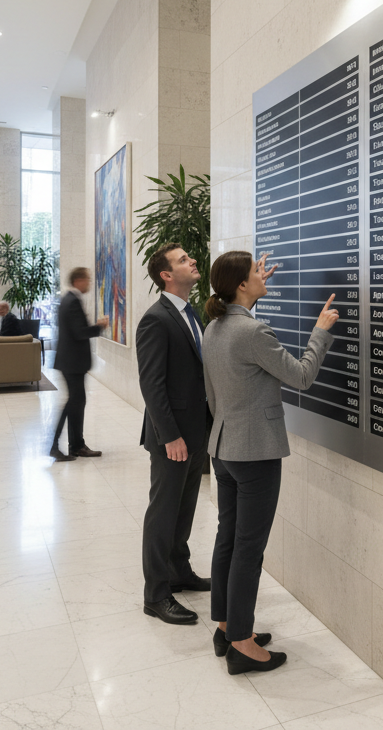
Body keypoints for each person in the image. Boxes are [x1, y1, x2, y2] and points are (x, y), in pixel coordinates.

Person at [203, 250, 338, 674]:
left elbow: (216, 390)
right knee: (249, 548)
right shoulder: (253, 332)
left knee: (229, 538)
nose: (263, 277)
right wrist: (319, 331)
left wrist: (249, 289)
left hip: (224, 448)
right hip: (255, 452)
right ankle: (242, 643)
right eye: (254, 275)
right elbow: (301, 375)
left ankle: (227, 627)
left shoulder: (215, 326)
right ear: (241, 284)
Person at [136, 244, 212, 626]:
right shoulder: (156, 319)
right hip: (173, 438)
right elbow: (152, 385)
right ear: (166, 275)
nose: (192, 261)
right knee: (163, 513)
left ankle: (179, 571)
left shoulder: (189, 312)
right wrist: (170, 436)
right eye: (183, 260)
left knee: (185, 509)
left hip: (197, 432)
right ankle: (156, 594)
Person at [49, 267, 109, 461]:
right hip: (72, 363)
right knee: (73, 403)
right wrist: (99, 326)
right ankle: (55, 446)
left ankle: (77, 446)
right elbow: (80, 332)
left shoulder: (68, 300)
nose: (89, 283)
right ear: (78, 281)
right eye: (87, 280)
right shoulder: (72, 302)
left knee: (76, 402)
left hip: (70, 362)